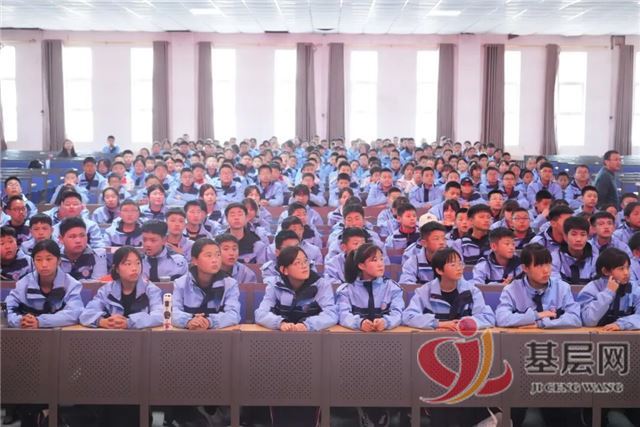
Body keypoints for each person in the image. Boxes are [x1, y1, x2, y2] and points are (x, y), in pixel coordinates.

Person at [402, 247, 495, 330]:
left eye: (460, 263)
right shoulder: (424, 291)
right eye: (453, 265)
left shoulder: (472, 291)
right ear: (439, 270)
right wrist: (437, 324)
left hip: (465, 339)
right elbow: (409, 316)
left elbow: (488, 317)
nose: (459, 268)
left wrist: (465, 323)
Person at [495, 243, 581, 329]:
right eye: (539, 266)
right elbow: (501, 318)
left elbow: (575, 318)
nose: (546, 270)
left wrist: (542, 324)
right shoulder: (512, 290)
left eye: (548, 264)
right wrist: (536, 315)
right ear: (525, 268)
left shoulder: (562, 288)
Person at [5, 239, 83, 328]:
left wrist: (40, 321)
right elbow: (7, 309)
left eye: (49, 259)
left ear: (59, 261)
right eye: (38, 260)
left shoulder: (71, 284)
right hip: (27, 333)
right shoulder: (23, 283)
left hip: (59, 334)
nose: (44, 265)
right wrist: (20, 321)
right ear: (33, 262)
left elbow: (75, 313)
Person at [80, 246, 163, 329]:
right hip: (113, 336)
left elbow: (159, 316)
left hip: (142, 336)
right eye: (128, 264)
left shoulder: (151, 290)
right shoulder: (106, 290)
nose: (134, 268)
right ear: (116, 268)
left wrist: (129, 322)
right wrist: (102, 321)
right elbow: (86, 315)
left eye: (138, 263)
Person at [171, 239, 241, 330]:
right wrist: (188, 321)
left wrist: (209, 321)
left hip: (219, 335)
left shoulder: (230, 284)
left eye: (218, 255)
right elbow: (173, 312)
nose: (215, 260)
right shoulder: (181, 284)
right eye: (209, 255)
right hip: (188, 334)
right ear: (195, 260)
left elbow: (234, 314)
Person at [577, 248, 639, 330]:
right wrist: (608, 293)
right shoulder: (591, 289)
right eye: (621, 268)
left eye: (627, 268)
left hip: (624, 335)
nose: (626, 273)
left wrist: (621, 324)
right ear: (605, 271)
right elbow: (588, 321)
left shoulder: (634, 289)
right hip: (595, 336)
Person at [551, 216, 597, 285]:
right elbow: (555, 285)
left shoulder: (595, 258)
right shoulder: (555, 257)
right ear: (565, 236)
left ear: (587, 237)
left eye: (583, 235)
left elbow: (597, 285)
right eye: (574, 234)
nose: (578, 239)